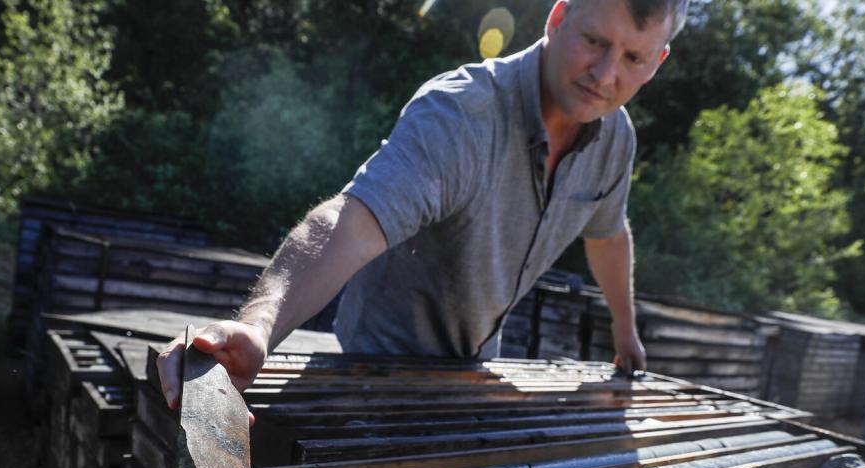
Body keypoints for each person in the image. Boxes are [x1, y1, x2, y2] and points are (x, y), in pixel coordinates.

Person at [157, 0, 689, 411]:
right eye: (594, 40)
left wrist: (625, 332)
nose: (604, 74)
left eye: (633, 58)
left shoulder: (616, 139)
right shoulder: (461, 113)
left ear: (657, 63)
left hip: (473, 371)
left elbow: (608, 233)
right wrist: (258, 326)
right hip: (365, 368)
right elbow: (351, 220)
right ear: (557, 18)